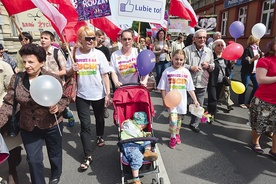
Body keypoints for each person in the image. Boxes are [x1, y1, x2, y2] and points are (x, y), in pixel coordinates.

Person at [0, 43, 69, 184]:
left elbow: (64, 98)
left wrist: (57, 107)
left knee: (54, 153)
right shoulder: (17, 78)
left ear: (41, 62)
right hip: (28, 126)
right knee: (33, 159)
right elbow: (9, 103)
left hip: (51, 124)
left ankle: (56, 172)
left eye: (31, 62)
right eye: (24, 61)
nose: (27, 65)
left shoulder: (52, 78)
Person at [66, 26, 111, 170]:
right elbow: (67, 73)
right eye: (88, 38)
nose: (91, 41)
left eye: (93, 38)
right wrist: (70, 69)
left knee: (99, 119)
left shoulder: (99, 54)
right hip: (81, 95)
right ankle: (88, 155)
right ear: (80, 40)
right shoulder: (73, 53)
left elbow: (105, 75)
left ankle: (99, 135)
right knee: (85, 125)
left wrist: (108, 93)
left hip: (98, 93)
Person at [157, 49, 199, 148]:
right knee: (173, 120)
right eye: (176, 59)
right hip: (171, 102)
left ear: (184, 60)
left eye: (181, 60)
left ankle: (177, 134)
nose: (178, 62)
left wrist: (196, 100)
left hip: (182, 101)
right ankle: (172, 137)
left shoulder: (186, 72)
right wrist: (164, 100)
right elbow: (162, 88)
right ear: (172, 58)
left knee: (179, 120)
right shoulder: (167, 71)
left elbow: (190, 88)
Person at [40, 30, 75, 127]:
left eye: (45, 38)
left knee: (60, 106)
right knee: (48, 105)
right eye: (41, 38)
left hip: (56, 84)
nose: (43, 40)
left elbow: (65, 70)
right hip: (43, 84)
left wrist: (51, 75)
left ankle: (69, 115)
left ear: (51, 41)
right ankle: (51, 124)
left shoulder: (57, 52)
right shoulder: (38, 52)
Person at [249, 37, 276, 160]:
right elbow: (261, 79)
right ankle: (255, 142)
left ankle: (274, 150)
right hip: (264, 100)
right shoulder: (265, 60)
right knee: (259, 125)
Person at [184, 29, 214, 133]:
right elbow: (180, 64)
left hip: (202, 81)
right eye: (200, 37)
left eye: (204, 37)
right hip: (189, 82)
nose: (202, 39)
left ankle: (194, 124)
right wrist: (190, 67)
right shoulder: (187, 50)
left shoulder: (209, 51)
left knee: (199, 104)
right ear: (194, 39)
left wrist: (208, 66)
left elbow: (213, 66)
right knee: (185, 102)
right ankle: (179, 119)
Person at [121, 112, 158, 184]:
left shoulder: (138, 130)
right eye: (144, 125)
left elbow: (140, 135)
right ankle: (136, 180)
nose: (143, 128)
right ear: (141, 124)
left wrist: (146, 135)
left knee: (148, 141)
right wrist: (144, 134)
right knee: (137, 157)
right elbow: (136, 133)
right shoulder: (129, 125)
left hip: (139, 142)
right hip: (130, 145)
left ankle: (147, 152)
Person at [0, 60, 22, 184]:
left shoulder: (4, 67)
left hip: (3, 111)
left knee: (10, 144)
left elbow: (12, 92)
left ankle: (12, 170)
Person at [207, 39, 234, 123]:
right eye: (218, 45)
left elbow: (227, 70)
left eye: (222, 45)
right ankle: (210, 116)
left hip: (221, 81)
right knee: (213, 99)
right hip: (211, 81)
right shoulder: (211, 56)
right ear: (214, 47)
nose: (220, 47)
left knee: (216, 99)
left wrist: (232, 64)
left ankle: (210, 112)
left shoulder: (225, 57)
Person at [239, 35, 262, 109]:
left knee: (257, 86)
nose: (259, 41)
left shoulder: (258, 49)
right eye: (258, 40)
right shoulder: (248, 49)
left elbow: (261, 58)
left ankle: (249, 102)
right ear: (255, 40)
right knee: (244, 87)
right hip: (247, 71)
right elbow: (244, 62)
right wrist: (253, 59)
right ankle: (241, 102)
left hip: (254, 71)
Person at [95, 30, 111, 118]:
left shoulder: (105, 49)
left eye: (101, 37)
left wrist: (103, 63)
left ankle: (104, 107)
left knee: (104, 89)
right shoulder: (92, 49)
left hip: (103, 72)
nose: (100, 39)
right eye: (98, 37)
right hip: (94, 73)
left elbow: (108, 61)